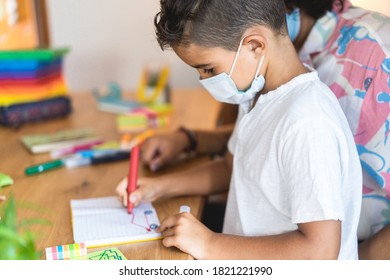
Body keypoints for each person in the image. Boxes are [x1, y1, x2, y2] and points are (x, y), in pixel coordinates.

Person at [141, 0, 390, 259]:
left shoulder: (308, 122)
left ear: (255, 46)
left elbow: (320, 251)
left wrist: (210, 244)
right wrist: (158, 187)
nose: (205, 80)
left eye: (208, 69)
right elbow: (233, 167)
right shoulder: (254, 92)